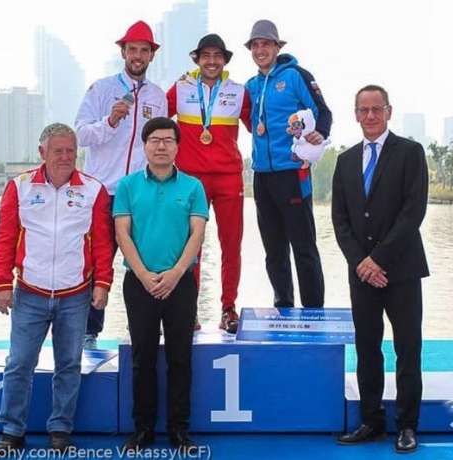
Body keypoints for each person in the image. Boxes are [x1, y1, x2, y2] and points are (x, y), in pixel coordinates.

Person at [0, 123, 114, 454]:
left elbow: (103, 243)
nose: (65, 157)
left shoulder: (94, 190)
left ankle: (60, 430)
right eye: (58, 151)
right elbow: (5, 237)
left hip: (76, 294)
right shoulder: (19, 186)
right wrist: (2, 283)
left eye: (71, 151)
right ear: (42, 152)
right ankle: (12, 431)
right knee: (19, 363)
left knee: (69, 365)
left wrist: (103, 284)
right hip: (29, 292)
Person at [332, 85, 429, 453]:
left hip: (402, 271)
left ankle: (407, 426)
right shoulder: (344, 160)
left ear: (389, 111)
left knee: (408, 349)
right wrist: (361, 263)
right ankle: (371, 421)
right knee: (367, 348)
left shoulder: (410, 153)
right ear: (356, 114)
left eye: (377, 109)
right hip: (362, 275)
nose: (370, 116)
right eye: (364, 110)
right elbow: (340, 220)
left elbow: (413, 212)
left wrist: (379, 259)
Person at [114, 117, 208, 452]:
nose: (161, 146)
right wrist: (143, 274)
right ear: (145, 145)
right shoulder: (127, 186)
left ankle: (179, 429)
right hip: (139, 283)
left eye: (168, 140)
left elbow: (197, 234)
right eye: (154, 140)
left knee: (180, 357)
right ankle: (143, 429)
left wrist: (177, 272)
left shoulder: (193, 187)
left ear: (178, 146)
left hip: (180, 283)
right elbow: (122, 233)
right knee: (143, 358)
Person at [75, 20, 167, 349]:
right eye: (132, 50)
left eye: (144, 50)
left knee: (145, 261)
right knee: (97, 262)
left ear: (151, 55)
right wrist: (110, 121)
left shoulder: (158, 96)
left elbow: (160, 144)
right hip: (103, 192)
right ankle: (87, 332)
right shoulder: (101, 89)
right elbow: (81, 134)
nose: (137, 56)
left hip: (140, 193)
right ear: (123, 53)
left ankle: (143, 328)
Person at [166, 33, 251, 333]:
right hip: (191, 179)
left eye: (217, 56)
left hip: (229, 178)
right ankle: (188, 310)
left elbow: (262, 126)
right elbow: (154, 119)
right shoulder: (181, 88)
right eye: (206, 56)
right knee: (190, 247)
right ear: (197, 59)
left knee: (231, 245)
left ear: (225, 60)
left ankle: (228, 309)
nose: (211, 61)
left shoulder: (239, 92)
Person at [244, 19, 331, 308]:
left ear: (277, 47)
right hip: (262, 176)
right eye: (255, 45)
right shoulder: (251, 85)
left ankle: (313, 311)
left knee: (303, 248)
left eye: (266, 44)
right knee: (273, 250)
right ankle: (283, 306)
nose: (260, 50)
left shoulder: (296, 76)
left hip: (293, 172)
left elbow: (323, 111)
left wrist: (321, 133)